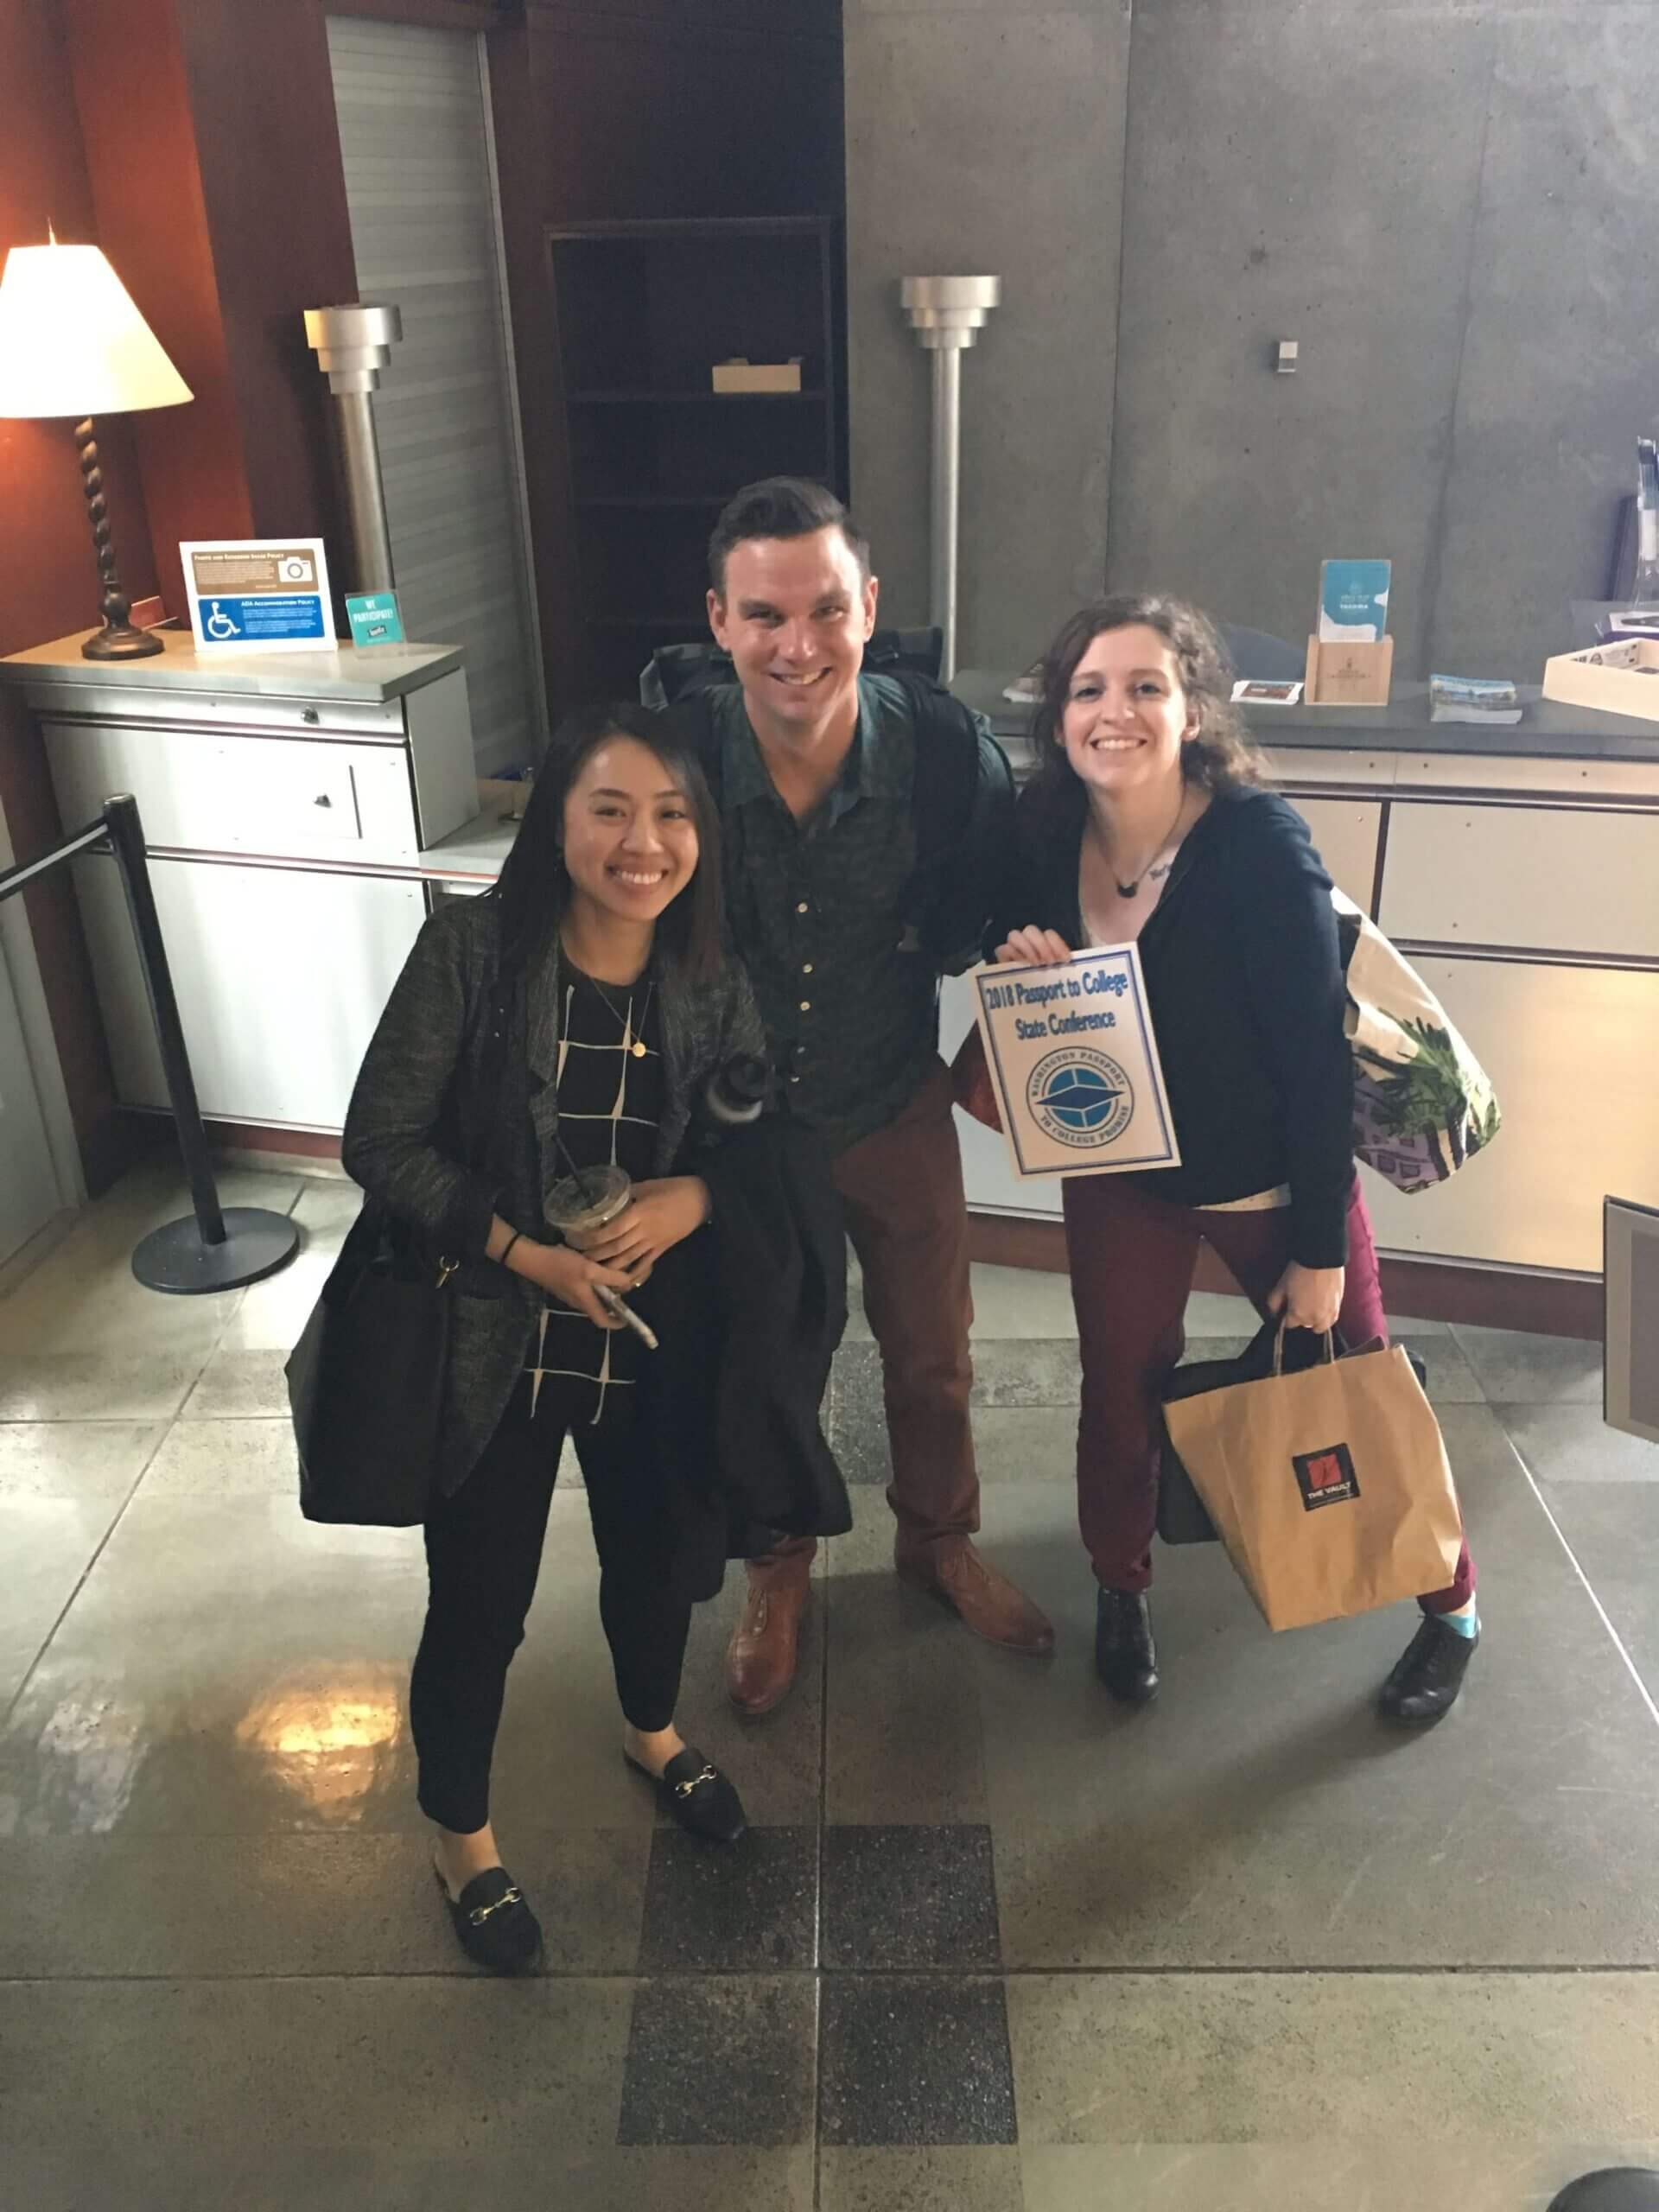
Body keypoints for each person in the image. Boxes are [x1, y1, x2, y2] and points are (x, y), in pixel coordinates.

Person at [992, 594, 1479, 1723]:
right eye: (1088, 690)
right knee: (1119, 1391)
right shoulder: (1043, 831)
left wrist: (1319, 1247)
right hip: (1121, 1172)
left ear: (1193, 709)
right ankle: (1122, 1585)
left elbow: (1314, 1059)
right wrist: (1017, 949)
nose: (1114, 712)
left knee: (1359, 1376)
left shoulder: (1257, 842)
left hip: (1268, 1173)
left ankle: (1452, 1604)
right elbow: (1000, 938)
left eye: (1144, 687)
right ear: (1060, 716)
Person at [341, 703, 772, 1974]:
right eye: (610, 811)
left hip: (648, 1336)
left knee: (657, 1562)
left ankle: (651, 1731)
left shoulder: (710, 975)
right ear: (556, 824)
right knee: (482, 1602)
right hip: (493, 1339)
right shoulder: (473, 953)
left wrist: (698, 1197)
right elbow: (379, 1142)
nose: (644, 844)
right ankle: (461, 1837)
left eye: (672, 815)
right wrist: (528, 1255)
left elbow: (758, 1135)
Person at [683, 475, 1055, 1716]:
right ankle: (777, 1568)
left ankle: (939, 1542)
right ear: (720, 620)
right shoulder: (674, 753)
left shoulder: (944, 755)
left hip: (891, 1098)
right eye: (765, 615)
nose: (799, 645)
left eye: (826, 610)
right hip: (738, 1126)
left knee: (933, 1358)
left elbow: (1011, 909)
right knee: (766, 1361)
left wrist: (1024, 980)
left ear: (870, 607)